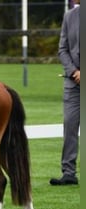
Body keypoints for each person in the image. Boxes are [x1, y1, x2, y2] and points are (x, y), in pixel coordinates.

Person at [50, 0, 80, 186]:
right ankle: (68, 172)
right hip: (73, 83)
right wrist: (74, 72)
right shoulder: (70, 17)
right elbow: (63, 49)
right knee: (70, 126)